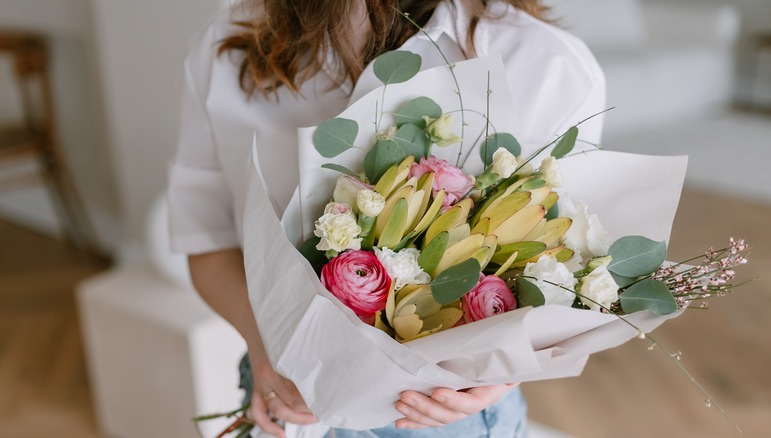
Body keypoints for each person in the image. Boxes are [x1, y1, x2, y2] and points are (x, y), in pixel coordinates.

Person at [167, 0, 605, 437]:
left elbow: (562, 279)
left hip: (443, 420)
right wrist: (263, 342)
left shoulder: (548, 66)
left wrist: (497, 379)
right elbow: (207, 240)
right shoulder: (229, 45)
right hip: (281, 395)